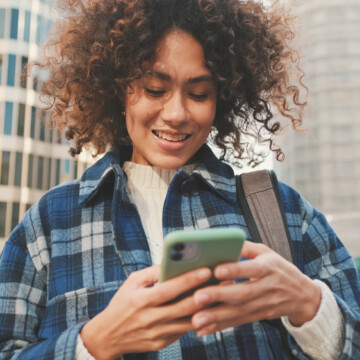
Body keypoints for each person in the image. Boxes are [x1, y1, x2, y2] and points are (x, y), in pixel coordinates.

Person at [0, 0, 360, 359]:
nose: (176, 114)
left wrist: (309, 306)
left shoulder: (283, 213)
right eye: (155, 89)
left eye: (199, 94)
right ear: (118, 90)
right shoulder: (49, 223)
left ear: (222, 98)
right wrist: (92, 343)